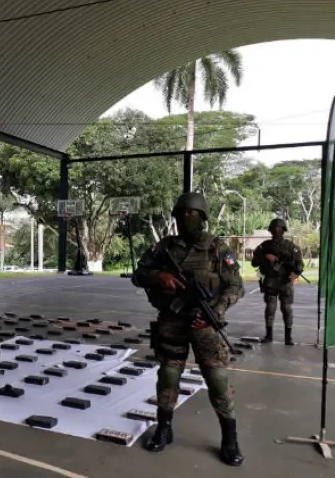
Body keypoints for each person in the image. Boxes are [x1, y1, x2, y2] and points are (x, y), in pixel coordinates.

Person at [131, 192, 245, 466]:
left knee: (217, 379)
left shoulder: (216, 248)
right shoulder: (163, 248)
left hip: (205, 324)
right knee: (168, 375)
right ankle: (164, 428)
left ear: (203, 217)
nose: (186, 217)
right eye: (182, 213)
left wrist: (214, 313)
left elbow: (235, 286)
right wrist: (159, 276)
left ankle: (230, 437)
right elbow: (138, 275)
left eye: (192, 213)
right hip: (172, 321)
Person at [251, 218, 304, 345]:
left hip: (285, 282)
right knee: (270, 308)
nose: (276, 230)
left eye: (279, 228)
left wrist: (296, 273)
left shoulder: (291, 247)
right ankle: (269, 335)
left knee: (286, 308)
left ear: (284, 230)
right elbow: (254, 263)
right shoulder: (264, 246)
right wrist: (265, 256)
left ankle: (288, 337)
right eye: (274, 228)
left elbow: (299, 263)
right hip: (270, 282)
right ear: (270, 230)